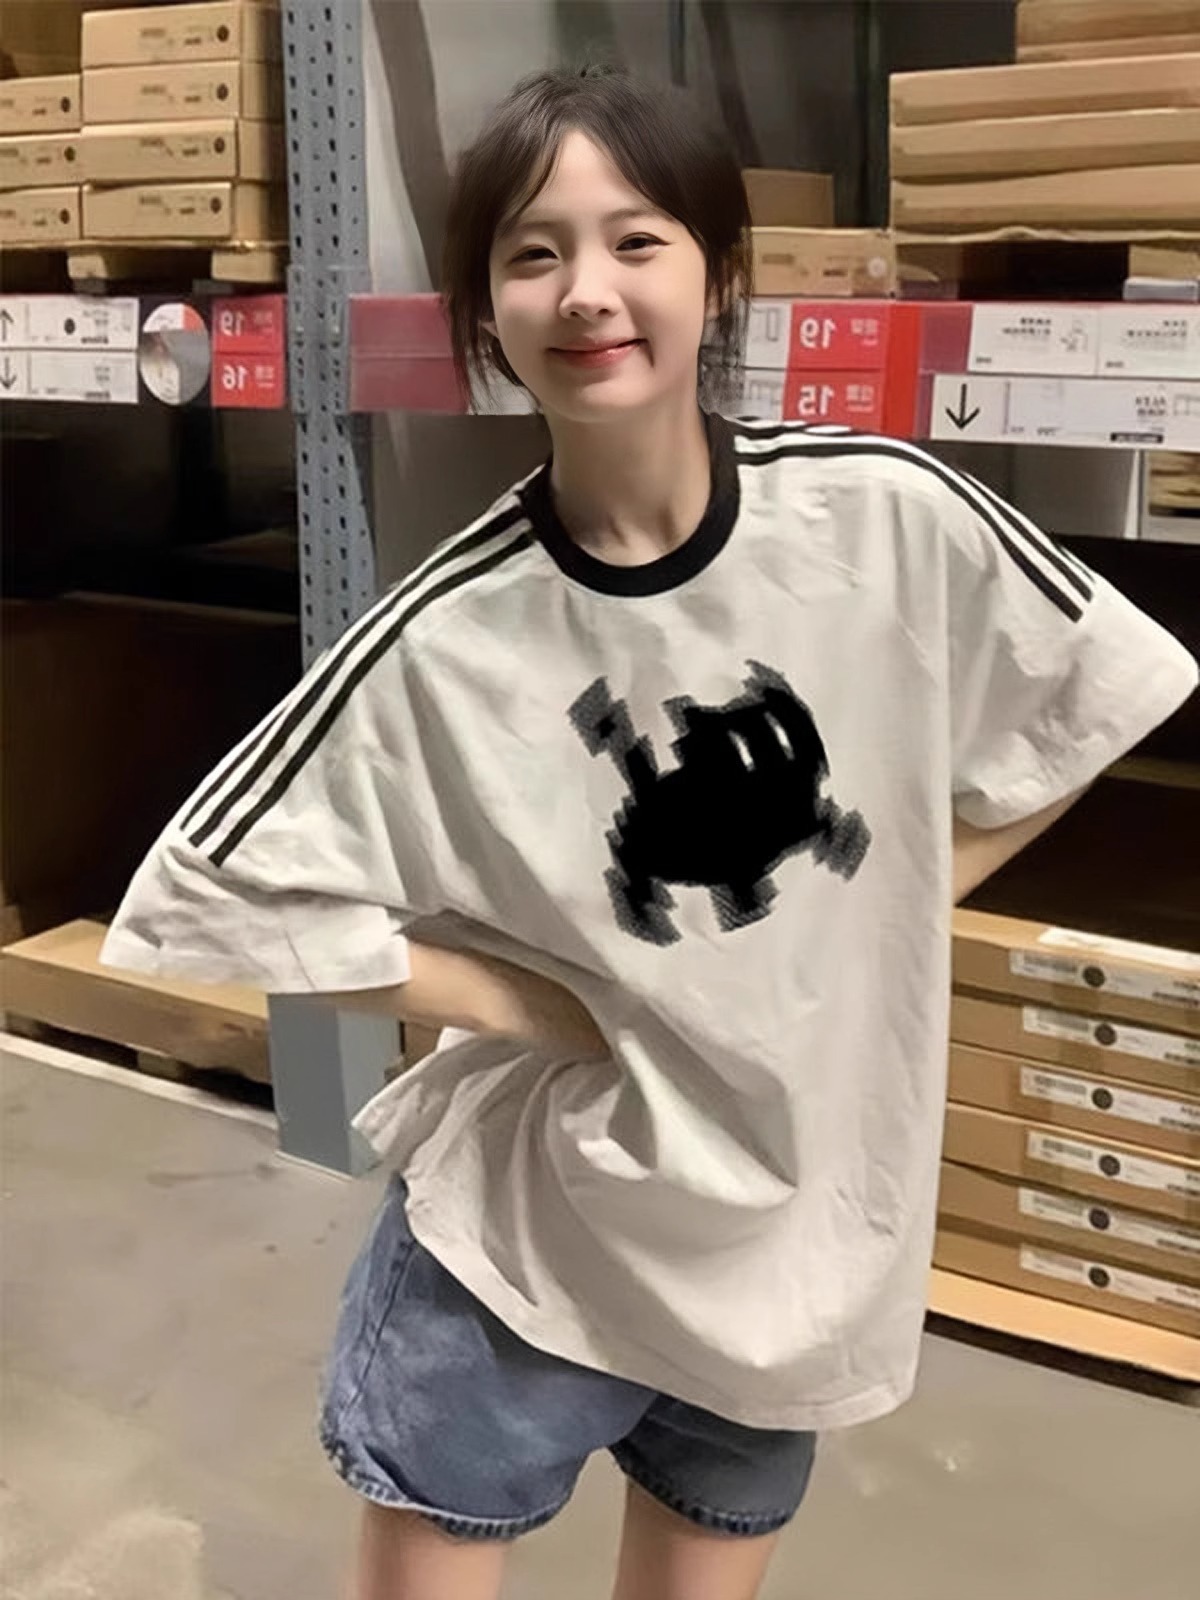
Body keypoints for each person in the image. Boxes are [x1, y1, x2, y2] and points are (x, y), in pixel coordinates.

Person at [102, 65, 1197, 1600]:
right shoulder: (449, 636)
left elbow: (1108, 687)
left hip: (795, 1242)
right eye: (532, 252)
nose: (586, 290)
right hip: (531, 1253)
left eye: (636, 240)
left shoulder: (885, 515)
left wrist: (902, 899)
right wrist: (543, 1007)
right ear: (487, 311)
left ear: (720, 274)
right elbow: (208, 896)